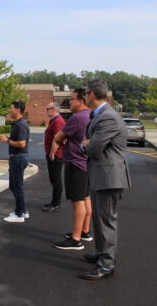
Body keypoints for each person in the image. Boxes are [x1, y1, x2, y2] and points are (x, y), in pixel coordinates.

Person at [80, 79, 131, 280]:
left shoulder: (108, 117)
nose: (84, 96)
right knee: (99, 219)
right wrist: (88, 143)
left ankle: (106, 265)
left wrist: (85, 145)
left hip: (110, 178)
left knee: (106, 221)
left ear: (92, 95)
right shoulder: (101, 115)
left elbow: (93, 148)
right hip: (101, 175)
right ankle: (102, 254)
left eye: (85, 93)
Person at [53, 89, 92, 250]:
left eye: (72, 99)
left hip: (75, 163)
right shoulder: (91, 116)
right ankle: (85, 231)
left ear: (81, 100)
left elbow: (57, 137)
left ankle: (75, 240)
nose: (69, 102)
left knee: (78, 201)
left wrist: (64, 139)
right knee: (86, 198)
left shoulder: (77, 117)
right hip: (87, 163)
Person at [0, 100, 30, 223]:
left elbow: (22, 144)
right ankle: (22, 210)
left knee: (17, 186)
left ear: (17, 109)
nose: (9, 110)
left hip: (19, 157)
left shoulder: (21, 124)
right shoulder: (18, 123)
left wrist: (7, 140)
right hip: (16, 157)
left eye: (11, 108)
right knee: (15, 185)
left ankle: (19, 214)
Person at [42, 102, 65, 212]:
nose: (46, 111)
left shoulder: (58, 121)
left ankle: (56, 204)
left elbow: (58, 138)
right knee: (53, 179)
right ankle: (54, 202)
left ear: (54, 109)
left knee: (56, 179)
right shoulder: (54, 121)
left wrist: (52, 153)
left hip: (55, 155)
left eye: (47, 108)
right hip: (52, 154)